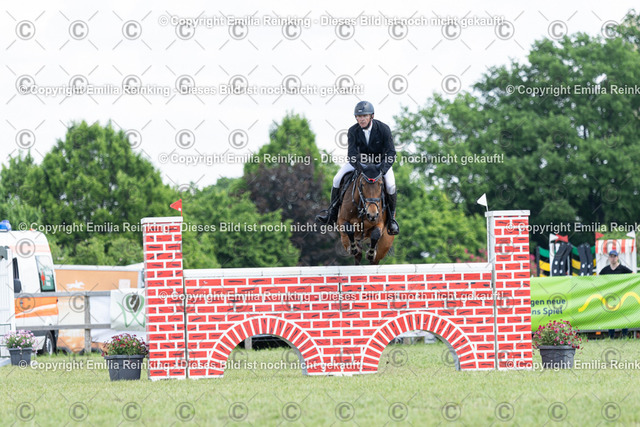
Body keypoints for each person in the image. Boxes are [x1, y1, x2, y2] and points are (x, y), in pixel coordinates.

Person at [315, 101, 399, 235]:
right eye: (359, 116)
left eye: (364, 116)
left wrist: (382, 170)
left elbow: (391, 153)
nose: (361, 119)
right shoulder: (353, 131)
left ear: (371, 116)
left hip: (380, 164)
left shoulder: (383, 129)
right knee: (336, 179)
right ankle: (332, 214)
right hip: (361, 164)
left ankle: (391, 220)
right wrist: (361, 169)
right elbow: (352, 155)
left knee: (390, 186)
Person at [599, 250, 633, 339]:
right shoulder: (605, 270)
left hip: (622, 296)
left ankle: (624, 335)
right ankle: (611, 336)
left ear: (617, 257)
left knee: (623, 315)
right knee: (611, 316)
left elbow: (633, 276)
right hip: (610, 297)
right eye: (611, 256)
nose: (613, 258)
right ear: (609, 258)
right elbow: (598, 279)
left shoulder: (623, 268)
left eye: (614, 256)